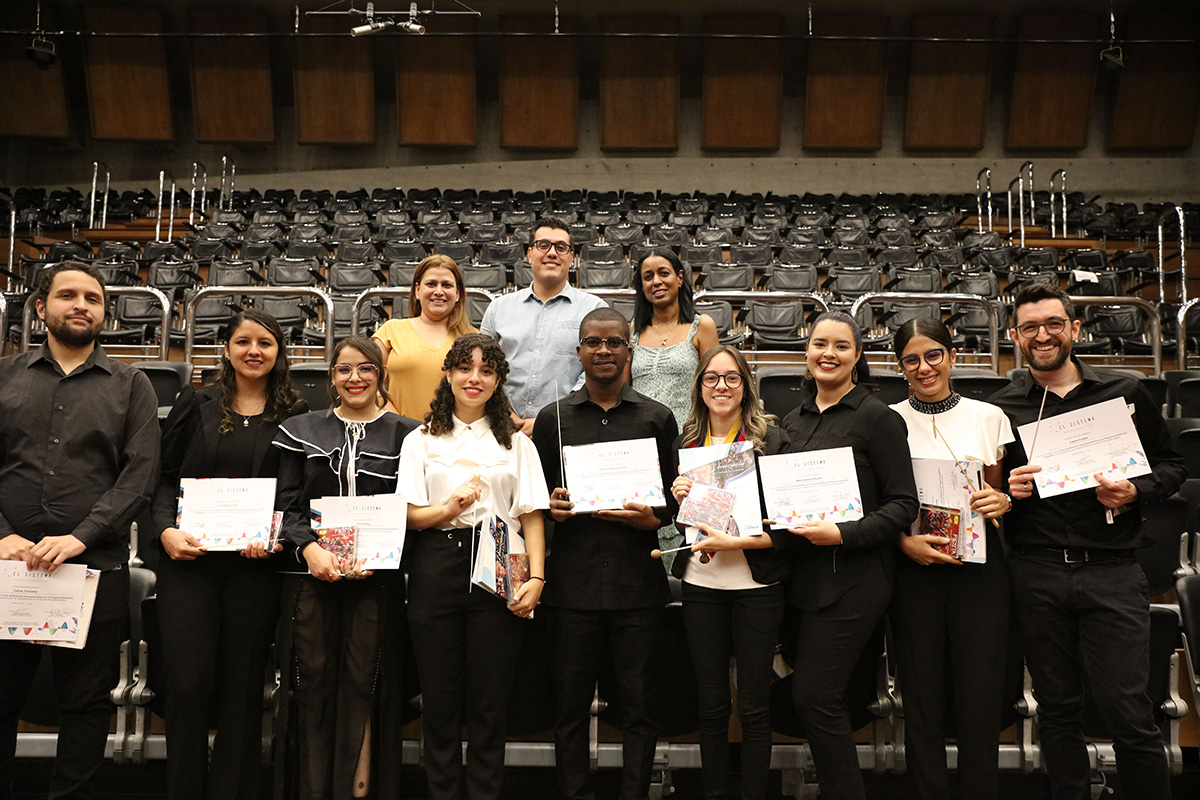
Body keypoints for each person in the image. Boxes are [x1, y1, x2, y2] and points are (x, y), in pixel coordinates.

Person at [990, 284, 1185, 800]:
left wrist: (1135, 490)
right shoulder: (1000, 408)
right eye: (1030, 327)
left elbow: (1173, 465)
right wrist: (1008, 490)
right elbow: (987, 493)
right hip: (1036, 570)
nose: (1042, 335)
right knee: (1056, 709)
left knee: (1128, 710)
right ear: (1015, 337)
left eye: (1054, 323)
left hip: (1112, 570)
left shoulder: (1125, 393)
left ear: (1074, 329)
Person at [0, 261, 160, 800]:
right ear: (41, 308)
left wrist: (81, 536)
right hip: (7, 568)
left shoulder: (130, 384)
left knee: (86, 704)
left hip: (92, 568)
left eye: (93, 298)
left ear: (104, 314)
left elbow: (139, 477)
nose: (81, 305)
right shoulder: (4, 375)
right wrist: (1, 534)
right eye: (68, 295)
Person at [151, 309, 305, 800]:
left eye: (265, 342)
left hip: (254, 569)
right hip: (189, 564)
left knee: (243, 692)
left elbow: (295, 495)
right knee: (188, 686)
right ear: (226, 349)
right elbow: (162, 478)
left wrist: (276, 535)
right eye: (243, 341)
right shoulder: (195, 404)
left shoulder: (294, 414)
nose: (253, 350)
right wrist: (164, 532)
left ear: (280, 352)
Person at [530, 307, 678, 800]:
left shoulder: (658, 417)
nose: (604, 351)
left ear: (628, 349)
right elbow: (541, 495)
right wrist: (552, 507)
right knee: (569, 707)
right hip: (570, 586)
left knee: (638, 708)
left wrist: (653, 519)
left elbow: (675, 502)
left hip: (638, 586)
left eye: (614, 342)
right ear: (579, 352)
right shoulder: (553, 418)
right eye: (593, 342)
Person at [398, 332, 549, 800]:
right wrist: (445, 510)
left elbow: (532, 515)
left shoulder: (517, 444)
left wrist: (538, 577)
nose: (474, 378)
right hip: (436, 561)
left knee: (489, 702)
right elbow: (407, 515)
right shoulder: (420, 440)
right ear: (448, 374)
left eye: (486, 370)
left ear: (498, 379)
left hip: (503, 560)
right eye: (465, 368)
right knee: (440, 701)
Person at [777, 310, 918, 800]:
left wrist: (842, 534)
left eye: (840, 346)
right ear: (807, 352)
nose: (828, 354)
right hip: (801, 579)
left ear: (858, 355)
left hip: (856, 579)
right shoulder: (792, 421)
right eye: (819, 344)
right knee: (815, 697)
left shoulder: (879, 418)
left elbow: (903, 505)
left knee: (814, 697)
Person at [272, 336, 419, 800]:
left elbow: (411, 508)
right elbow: (287, 508)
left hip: (377, 582)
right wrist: (311, 551)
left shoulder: (409, 434)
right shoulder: (301, 428)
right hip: (312, 579)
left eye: (365, 369)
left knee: (365, 688)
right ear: (332, 377)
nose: (354, 378)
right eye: (343, 370)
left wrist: (379, 554)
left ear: (381, 374)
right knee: (311, 689)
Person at [887, 318, 1014, 800]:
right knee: (921, 695)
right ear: (900, 367)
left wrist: (1001, 502)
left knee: (980, 694)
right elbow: (883, 501)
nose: (924, 367)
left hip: (979, 573)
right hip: (914, 568)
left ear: (953, 356)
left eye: (933, 355)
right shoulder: (888, 418)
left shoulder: (989, 416)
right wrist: (902, 542)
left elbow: (997, 492)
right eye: (912, 360)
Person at [666, 345, 790, 800]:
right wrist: (681, 497)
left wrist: (735, 538)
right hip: (702, 587)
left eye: (731, 378)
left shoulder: (772, 439)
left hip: (757, 587)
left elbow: (786, 524)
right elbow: (679, 528)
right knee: (713, 705)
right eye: (712, 378)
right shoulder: (687, 442)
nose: (721, 386)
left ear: (746, 386)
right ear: (699, 387)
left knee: (755, 707)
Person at [626, 248, 718, 568]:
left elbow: (716, 385)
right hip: (644, 449)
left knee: (687, 523)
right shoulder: (632, 333)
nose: (656, 281)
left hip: (689, 443)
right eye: (647, 276)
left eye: (664, 273)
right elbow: (624, 392)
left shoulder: (701, 326)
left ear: (680, 278)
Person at [480, 217, 606, 436]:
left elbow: (596, 372)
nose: (552, 253)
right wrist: (507, 415)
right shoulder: (498, 309)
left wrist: (550, 419)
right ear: (529, 254)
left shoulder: (594, 309)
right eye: (543, 245)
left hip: (569, 429)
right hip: (503, 428)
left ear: (571, 258)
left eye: (561, 247)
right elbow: (483, 367)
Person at [373, 254, 476, 420]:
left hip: (454, 439)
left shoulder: (473, 339)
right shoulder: (390, 331)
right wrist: (400, 425)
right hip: (397, 435)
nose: (439, 291)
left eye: (447, 285)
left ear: (457, 294)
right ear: (417, 290)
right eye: (431, 284)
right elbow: (372, 386)